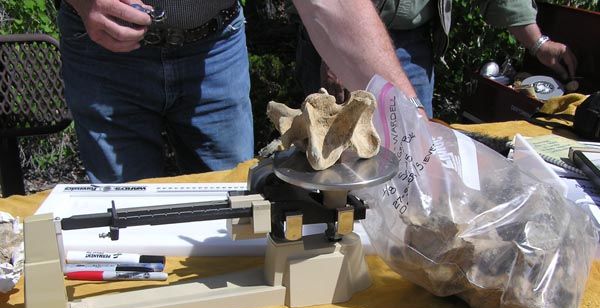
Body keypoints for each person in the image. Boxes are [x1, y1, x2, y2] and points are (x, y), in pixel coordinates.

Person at [57, 0, 421, 183]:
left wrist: (415, 127)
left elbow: (334, 6)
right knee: (122, 220)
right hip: (102, 52)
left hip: (214, 46)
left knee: (235, 207)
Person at [295, 0, 578, 117]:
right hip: (339, 37)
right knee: (341, 155)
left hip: (412, 43)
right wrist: (336, 56)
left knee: (415, 153)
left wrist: (539, 43)